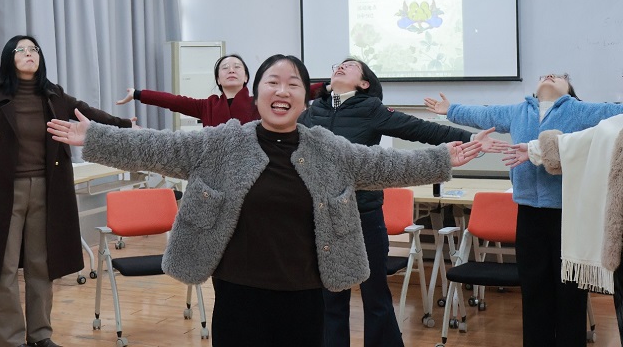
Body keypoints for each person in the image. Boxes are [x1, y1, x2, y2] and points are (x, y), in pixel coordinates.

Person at [46, 54, 482, 347]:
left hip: (306, 291)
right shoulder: (222, 143)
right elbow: (158, 147)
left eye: (293, 84)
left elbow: (387, 166)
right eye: (272, 82)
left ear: (304, 99)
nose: (282, 90)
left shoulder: (329, 149)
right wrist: (96, 137)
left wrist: (444, 157)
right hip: (239, 291)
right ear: (257, 96)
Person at [298, 57, 509, 347]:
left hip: (364, 214)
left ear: (364, 83)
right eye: (338, 65)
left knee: (375, 296)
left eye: (351, 65)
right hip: (325, 217)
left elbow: (420, 129)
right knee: (330, 299)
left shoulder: (371, 108)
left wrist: (470, 138)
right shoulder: (313, 111)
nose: (341, 67)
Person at [424, 73, 623, 347]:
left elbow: (616, 114)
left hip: (568, 215)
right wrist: (451, 110)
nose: (550, 76)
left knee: (570, 294)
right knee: (533, 292)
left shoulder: (581, 110)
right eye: (544, 75)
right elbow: (485, 115)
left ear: (570, 90)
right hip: (528, 214)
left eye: (559, 76)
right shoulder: (518, 111)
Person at [0, 35, 134, 347]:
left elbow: (89, 114)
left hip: (47, 189)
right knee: (4, 268)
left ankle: (40, 335)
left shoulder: (54, 95)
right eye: (21, 50)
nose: (29, 53)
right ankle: (10, 340)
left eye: (33, 49)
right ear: (9, 58)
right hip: (2, 193)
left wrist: (126, 127)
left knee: (41, 265)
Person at [503, 115, 623, 344]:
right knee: (537, 295)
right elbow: (581, 143)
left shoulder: (582, 111)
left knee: (569, 301)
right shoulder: (614, 125)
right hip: (542, 217)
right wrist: (535, 149)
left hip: (561, 217)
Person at [116, 54, 259, 126]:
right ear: (218, 80)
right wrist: (137, 94)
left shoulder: (259, 104)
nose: (231, 70)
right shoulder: (207, 106)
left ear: (246, 77)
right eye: (225, 68)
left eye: (237, 67)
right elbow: (173, 101)